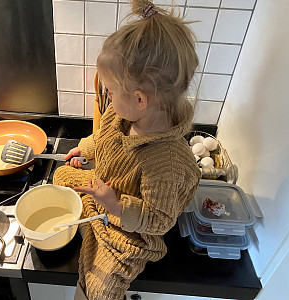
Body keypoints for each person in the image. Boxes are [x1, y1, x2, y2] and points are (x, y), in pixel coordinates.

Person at [53, 1, 201, 299]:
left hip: (131, 229)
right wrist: (84, 150)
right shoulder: (122, 114)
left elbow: (160, 221)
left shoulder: (166, 163)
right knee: (60, 175)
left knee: (103, 289)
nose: (105, 94)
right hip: (105, 192)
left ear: (139, 99)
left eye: (109, 88)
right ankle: (92, 226)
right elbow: (104, 139)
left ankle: (96, 234)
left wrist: (116, 206)